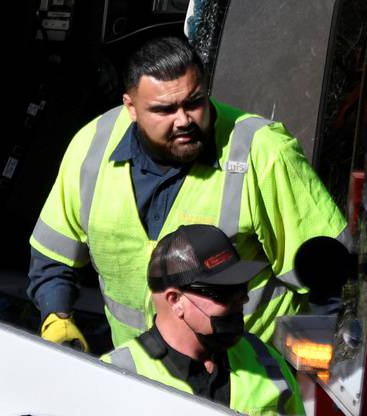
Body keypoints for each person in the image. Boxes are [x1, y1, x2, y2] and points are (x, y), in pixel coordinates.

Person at [28, 34, 345, 352]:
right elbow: (52, 258)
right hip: (140, 374)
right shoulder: (92, 146)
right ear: (131, 108)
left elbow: (332, 284)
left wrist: (310, 379)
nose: (184, 120)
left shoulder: (263, 152)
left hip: (245, 385)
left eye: (194, 102)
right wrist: (57, 318)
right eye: (164, 110)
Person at [102, 223, 304, 416]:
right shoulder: (115, 375)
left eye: (242, 288)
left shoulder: (266, 361)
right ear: (176, 301)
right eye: (224, 293)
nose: (242, 300)